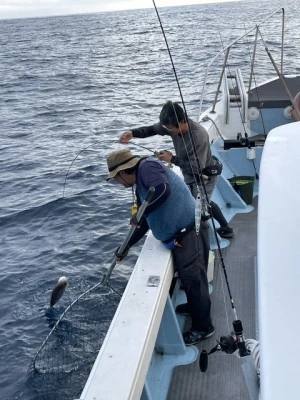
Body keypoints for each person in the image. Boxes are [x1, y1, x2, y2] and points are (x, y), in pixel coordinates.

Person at [106, 148, 215, 345]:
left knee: (194, 278)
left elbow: (164, 189)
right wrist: (126, 247)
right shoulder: (141, 186)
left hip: (190, 230)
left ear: (122, 172)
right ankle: (195, 306)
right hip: (181, 235)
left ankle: (204, 327)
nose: (118, 183)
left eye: (116, 179)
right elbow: (144, 221)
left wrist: (141, 212)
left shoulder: (147, 167)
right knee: (189, 278)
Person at [119, 101, 234, 239]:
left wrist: (172, 159)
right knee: (202, 202)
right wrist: (133, 133)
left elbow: (197, 167)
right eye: (167, 128)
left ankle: (215, 234)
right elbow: (152, 130)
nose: (169, 132)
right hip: (189, 173)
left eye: (171, 129)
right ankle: (224, 228)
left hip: (205, 175)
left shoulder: (199, 136)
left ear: (183, 121)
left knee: (201, 206)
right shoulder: (171, 126)